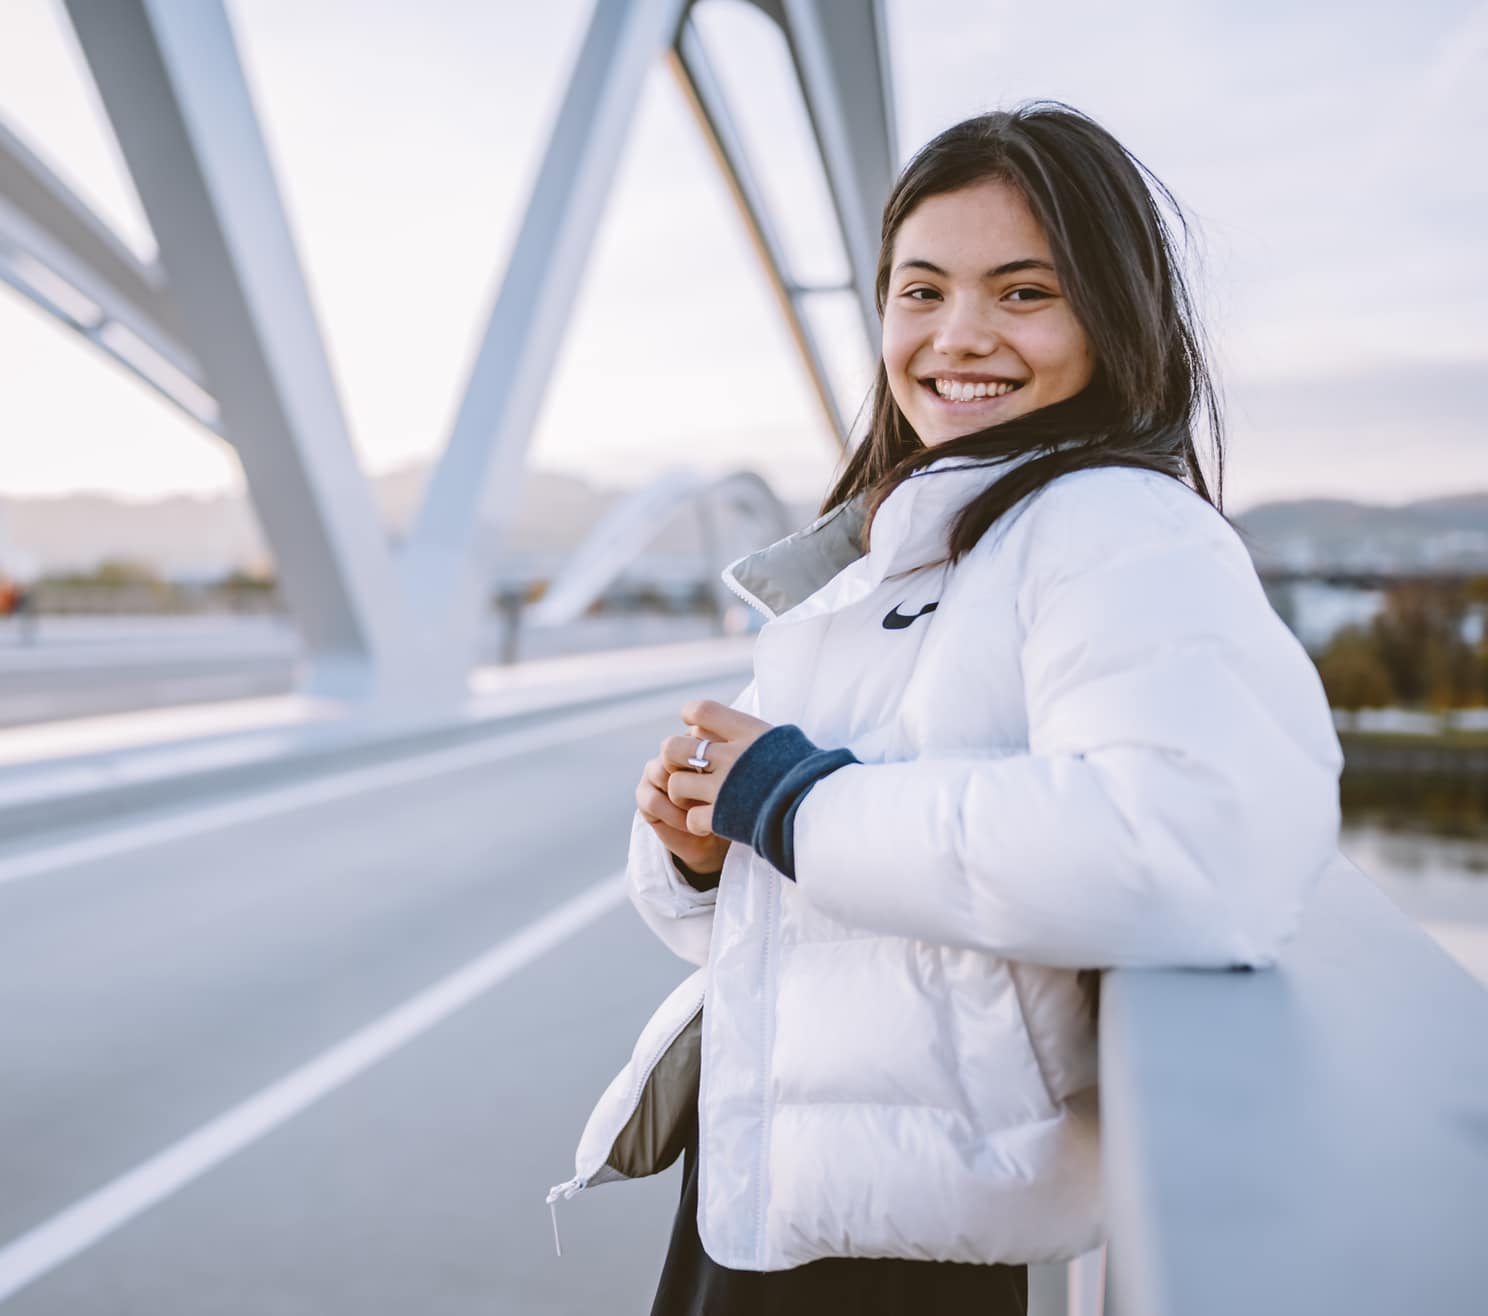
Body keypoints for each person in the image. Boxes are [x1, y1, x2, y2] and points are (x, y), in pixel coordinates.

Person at [564, 103, 1344, 1313]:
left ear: (1110, 311)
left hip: (910, 1242)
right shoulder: (908, 550)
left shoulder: (1113, 526)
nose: (955, 335)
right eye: (918, 291)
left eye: (1021, 291)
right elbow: (820, 896)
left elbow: (1193, 844)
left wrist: (792, 800)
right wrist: (710, 847)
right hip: (774, 1196)